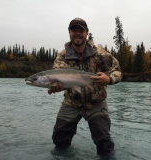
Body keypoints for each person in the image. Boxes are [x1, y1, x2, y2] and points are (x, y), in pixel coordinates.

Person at [48, 17, 122, 156]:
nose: (77, 33)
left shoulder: (99, 53)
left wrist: (109, 79)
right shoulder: (62, 56)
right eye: (74, 30)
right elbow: (61, 82)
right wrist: (57, 87)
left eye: (81, 31)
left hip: (96, 103)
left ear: (86, 33)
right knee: (59, 140)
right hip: (71, 103)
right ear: (69, 33)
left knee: (104, 144)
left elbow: (117, 70)